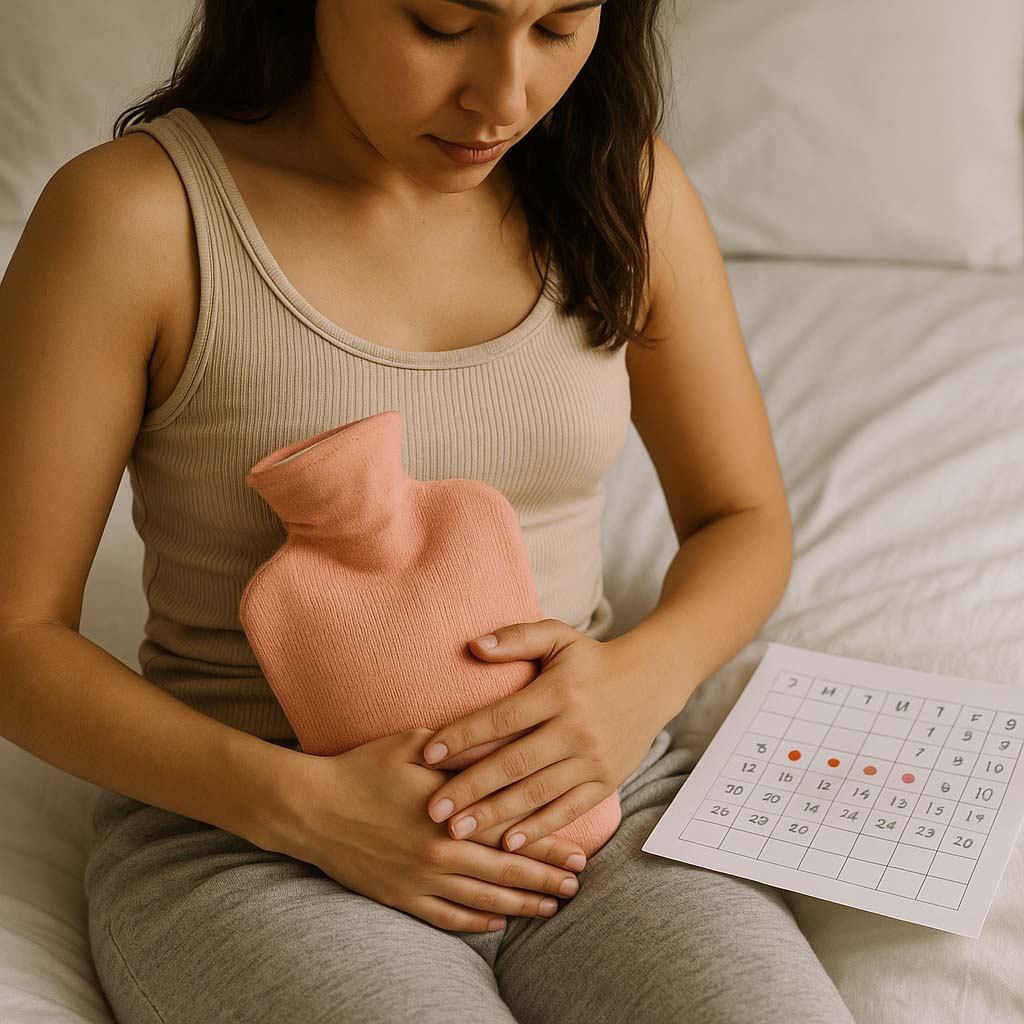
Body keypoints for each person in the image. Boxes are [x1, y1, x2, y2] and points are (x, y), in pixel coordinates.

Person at [0, 1, 858, 1020]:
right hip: (254, 840)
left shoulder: (624, 187)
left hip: (595, 798)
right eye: (443, 24)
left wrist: (639, 681)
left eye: (557, 26)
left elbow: (740, 515)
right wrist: (304, 808)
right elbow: (15, 633)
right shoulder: (136, 216)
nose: (504, 97)